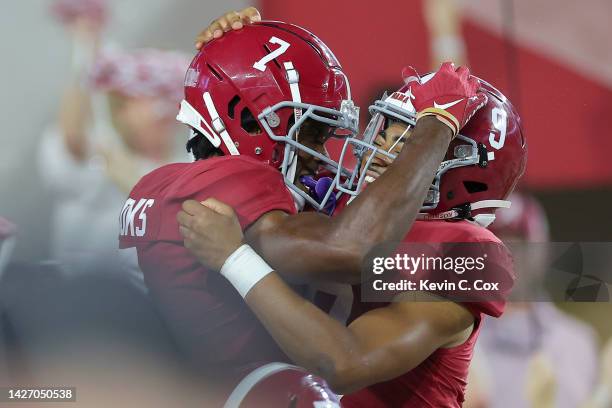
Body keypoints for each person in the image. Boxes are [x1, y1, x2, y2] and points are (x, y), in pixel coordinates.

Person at [119, 16, 486, 405]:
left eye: (406, 147)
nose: (322, 156)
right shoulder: (242, 183)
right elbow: (352, 245)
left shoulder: (468, 253)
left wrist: (239, 50)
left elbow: (346, 349)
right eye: (310, 134)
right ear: (249, 119)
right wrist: (439, 119)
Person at [41, 2, 188, 274]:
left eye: (164, 97)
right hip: (81, 300)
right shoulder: (103, 153)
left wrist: (133, 181)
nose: (160, 108)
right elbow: (72, 138)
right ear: (120, 111)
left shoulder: (188, 165)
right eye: (145, 99)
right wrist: (87, 46)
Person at [464, 192, 599, 408]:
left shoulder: (578, 342)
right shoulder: (454, 340)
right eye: (497, 245)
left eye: (521, 246)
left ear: (543, 250)